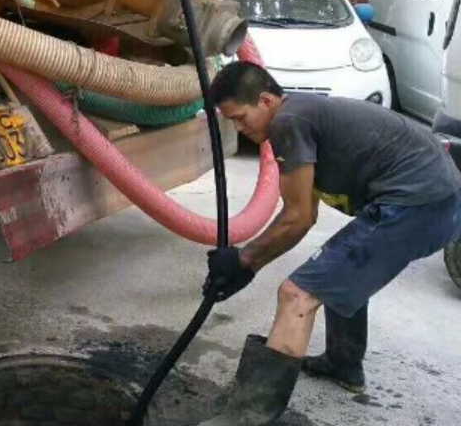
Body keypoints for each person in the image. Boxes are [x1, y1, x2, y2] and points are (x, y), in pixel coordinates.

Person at [197, 61, 461, 426]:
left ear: (266, 100)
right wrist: (248, 261)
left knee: (297, 294)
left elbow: (298, 217)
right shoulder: (304, 115)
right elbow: (306, 213)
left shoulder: (288, 122)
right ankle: (343, 364)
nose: (240, 128)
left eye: (241, 118)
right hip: (437, 200)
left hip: (418, 204)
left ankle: (247, 418)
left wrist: (244, 261)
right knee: (337, 268)